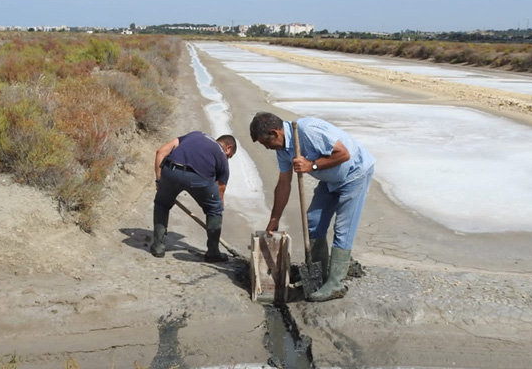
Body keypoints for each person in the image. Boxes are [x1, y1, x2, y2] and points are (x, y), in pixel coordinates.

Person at [249, 112, 375, 302]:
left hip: (354, 174)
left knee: (343, 229)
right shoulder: (282, 150)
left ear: (275, 133)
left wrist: (311, 166)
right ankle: (318, 275)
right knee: (313, 221)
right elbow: (284, 183)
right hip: (329, 179)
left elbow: (343, 154)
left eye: (264, 142)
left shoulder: (308, 131)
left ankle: (335, 284)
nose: (266, 147)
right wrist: (274, 219)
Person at [151, 131, 237, 262]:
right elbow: (221, 187)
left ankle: (158, 247)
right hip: (199, 178)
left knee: (162, 204)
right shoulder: (221, 154)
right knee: (215, 210)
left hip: (171, 170)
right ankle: (213, 252)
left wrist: (159, 181)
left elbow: (160, 151)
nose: (228, 159)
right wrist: (217, 206)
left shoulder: (195, 135)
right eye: (230, 156)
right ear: (228, 148)